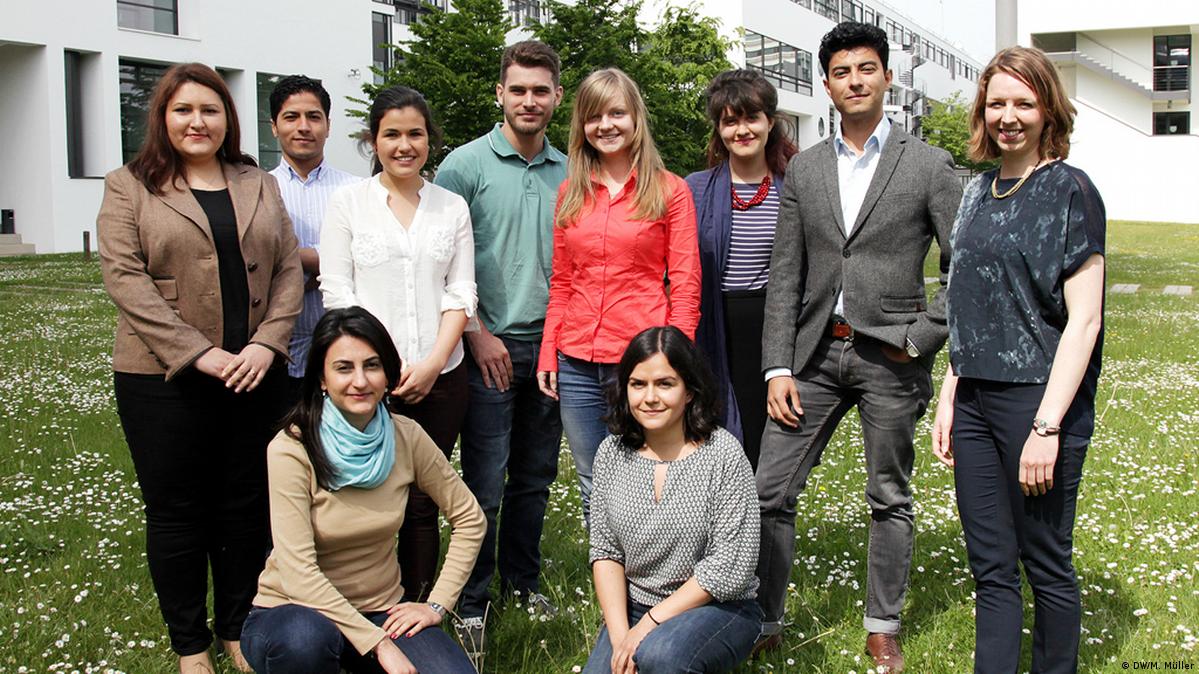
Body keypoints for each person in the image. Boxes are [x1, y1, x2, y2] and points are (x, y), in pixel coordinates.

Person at [754, 22, 962, 670]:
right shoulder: (805, 168)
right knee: (768, 492)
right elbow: (785, 273)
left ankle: (882, 624)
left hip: (889, 355)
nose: (854, 81)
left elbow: (964, 266)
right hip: (814, 356)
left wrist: (921, 337)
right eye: (841, 72)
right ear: (826, 85)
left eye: (866, 69)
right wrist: (777, 366)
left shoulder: (928, 165)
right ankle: (764, 620)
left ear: (886, 77)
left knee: (887, 496)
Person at [97, 62, 302, 673]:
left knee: (246, 506)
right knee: (178, 513)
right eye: (183, 109)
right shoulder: (129, 185)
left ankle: (237, 627)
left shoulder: (257, 181)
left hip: (253, 375)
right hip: (164, 381)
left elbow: (288, 267)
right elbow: (125, 280)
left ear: (227, 120)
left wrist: (267, 344)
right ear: (162, 117)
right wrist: (198, 353)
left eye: (210, 110)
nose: (197, 121)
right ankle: (190, 644)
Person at [930, 46, 1105, 674]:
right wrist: (950, 392)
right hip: (975, 401)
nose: (1008, 116)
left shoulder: (1070, 190)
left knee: (1045, 561)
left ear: (1048, 109)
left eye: (1023, 103)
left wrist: (1047, 427)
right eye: (996, 103)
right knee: (991, 566)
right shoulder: (976, 191)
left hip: (1040, 400)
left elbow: (1085, 321)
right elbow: (968, 302)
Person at [240, 306, 485, 674]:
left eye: (372, 366)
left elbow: (470, 518)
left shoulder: (406, 436)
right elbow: (298, 573)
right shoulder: (291, 448)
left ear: (388, 374)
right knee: (305, 642)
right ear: (322, 379)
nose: (360, 381)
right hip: (293, 611)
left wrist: (436, 605)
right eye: (343, 368)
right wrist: (379, 644)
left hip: (381, 610)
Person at [433, 40, 566, 653]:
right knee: (483, 483)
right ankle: (472, 599)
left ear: (557, 96)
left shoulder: (573, 170)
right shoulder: (462, 167)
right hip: (485, 346)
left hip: (553, 349)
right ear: (500, 94)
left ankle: (523, 582)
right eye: (518, 90)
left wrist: (556, 343)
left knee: (534, 478)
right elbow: (441, 264)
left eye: (540, 90)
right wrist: (477, 332)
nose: (529, 100)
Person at [320, 86, 476, 605]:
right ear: (373, 140)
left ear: (430, 139)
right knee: (360, 497)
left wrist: (432, 363)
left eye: (415, 134)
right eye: (392, 134)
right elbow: (338, 293)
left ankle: (415, 608)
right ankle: (356, 605)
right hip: (366, 381)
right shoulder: (348, 204)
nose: (404, 145)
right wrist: (381, 368)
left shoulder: (451, 207)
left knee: (421, 502)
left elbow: (461, 292)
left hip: (441, 377)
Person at [536, 68, 701, 521]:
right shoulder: (570, 193)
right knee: (593, 481)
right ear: (582, 125)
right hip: (576, 361)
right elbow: (563, 281)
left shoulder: (670, 190)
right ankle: (607, 570)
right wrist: (549, 351)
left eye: (616, 114)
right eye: (594, 117)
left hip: (642, 360)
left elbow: (686, 283)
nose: (605, 125)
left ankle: (654, 567)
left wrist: (675, 358)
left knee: (648, 477)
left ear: (635, 119)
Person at [584, 326, 761, 674]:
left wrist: (648, 626)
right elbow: (605, 552)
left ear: (689, 391)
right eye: (638, 384)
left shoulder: (723, 454)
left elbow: (729, 566)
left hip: (719, 606)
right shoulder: (611, 454)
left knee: (661, 657)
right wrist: (621, 639)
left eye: (665, 384)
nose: (650, 397)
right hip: (636, 606)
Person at [685, 69, 797, 470]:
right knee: (713, 439)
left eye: (751, 118)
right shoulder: (695, 189)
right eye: (730, 121)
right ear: (719, 129)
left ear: (770, 121)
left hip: (774, 327)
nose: (742, 130)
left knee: (770, 440)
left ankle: (766, 509)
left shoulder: (793, 185)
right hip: (714, 326)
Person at [267, 75, 362, 397]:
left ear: (328, 125)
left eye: (313, 117)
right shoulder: (257, 191)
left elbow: (365, 256)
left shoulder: (356, 190)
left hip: (346, 355)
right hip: (277, 356)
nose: (303, 127)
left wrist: (296, 259)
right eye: (291, 117)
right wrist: (329, 261)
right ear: (274, 126)